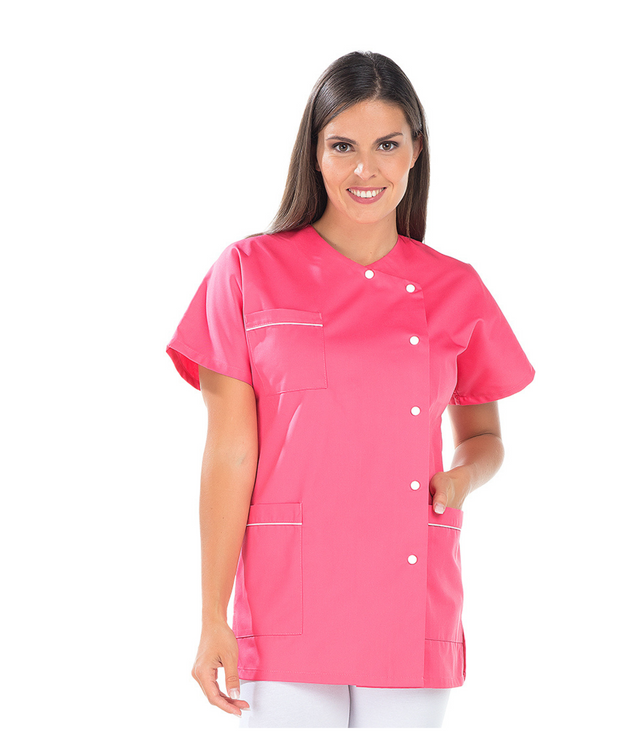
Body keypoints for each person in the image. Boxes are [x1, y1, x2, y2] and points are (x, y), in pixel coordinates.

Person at [165, 50, 535, 729]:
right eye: (343, 146)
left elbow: (484, 437)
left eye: (387, 145)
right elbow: (230, 455)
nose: (366, 169)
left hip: (409, 594)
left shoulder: (456, 287)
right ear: (314, 153)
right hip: (286, 593)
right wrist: (212, 615)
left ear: (416, 150)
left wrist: (462, 479)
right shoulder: (247, 271)